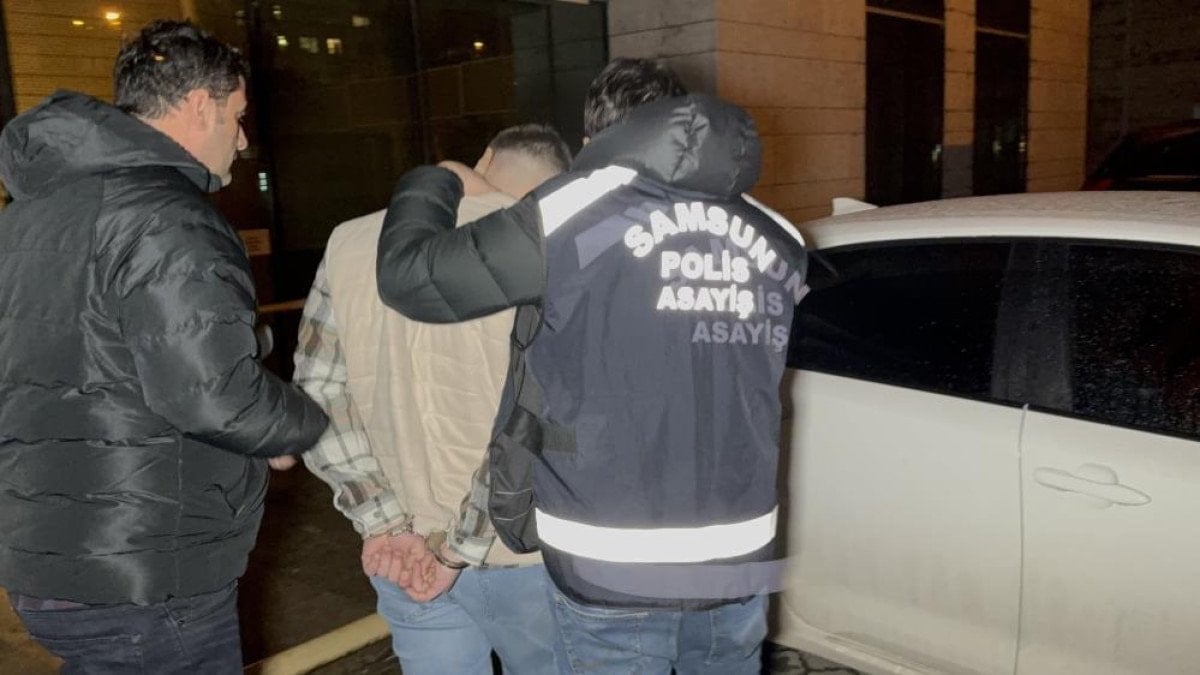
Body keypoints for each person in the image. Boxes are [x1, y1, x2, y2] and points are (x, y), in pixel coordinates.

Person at [376, 58, 808, 674]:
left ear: (592, 139)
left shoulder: (575, 210)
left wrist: (435, 179)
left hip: (612, 560)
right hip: (738, 552)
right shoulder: (776, 232)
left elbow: (412, 278)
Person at [0, 19, 328, 673]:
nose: (242, 139)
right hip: (144, 568)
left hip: (45, 559)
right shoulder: (168, 216)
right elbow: (214, 395)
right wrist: (304, 421)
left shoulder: (30, 216)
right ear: (200, 104)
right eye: (237, 116)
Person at [294, 124, 571, 675]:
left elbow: (319, 390)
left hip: (402, 554)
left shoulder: (350, 240)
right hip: (521, 555)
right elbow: (538, 419)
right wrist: (458, 548)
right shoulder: (550, 251)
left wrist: (384, 522)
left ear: (484, 158)